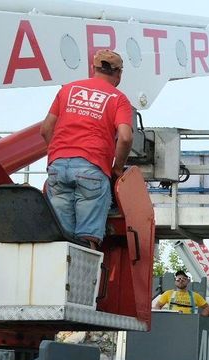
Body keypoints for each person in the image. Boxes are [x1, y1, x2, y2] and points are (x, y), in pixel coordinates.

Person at [40, 49, 133, 249]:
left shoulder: (68, 90)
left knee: (61, 240)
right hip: (92, 168)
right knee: (86, 239)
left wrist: (58, 154)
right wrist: (117, 169)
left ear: (93, 68)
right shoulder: (118, 98)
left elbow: (46, 129)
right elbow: (125, 137)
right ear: (119, 74)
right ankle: (83, 278)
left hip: (57, 169)